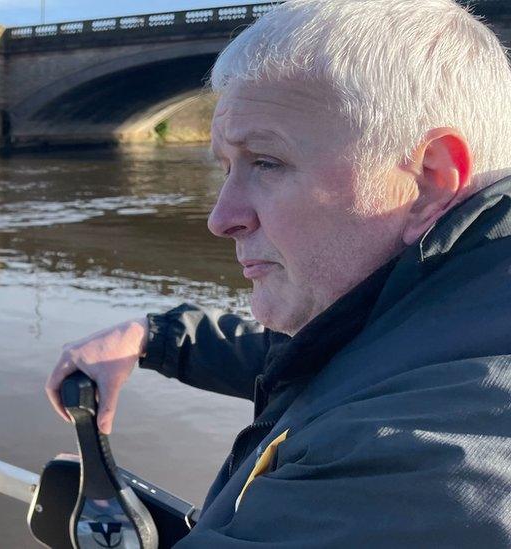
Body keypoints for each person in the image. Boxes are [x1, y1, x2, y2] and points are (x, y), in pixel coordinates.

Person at [44, 0, 511, 546]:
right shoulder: (455, 303)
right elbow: (333, 356)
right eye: (226, 168)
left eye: (266, 162)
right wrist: (158, 336)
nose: (221, 219)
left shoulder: (414, 468)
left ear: (428, 180)